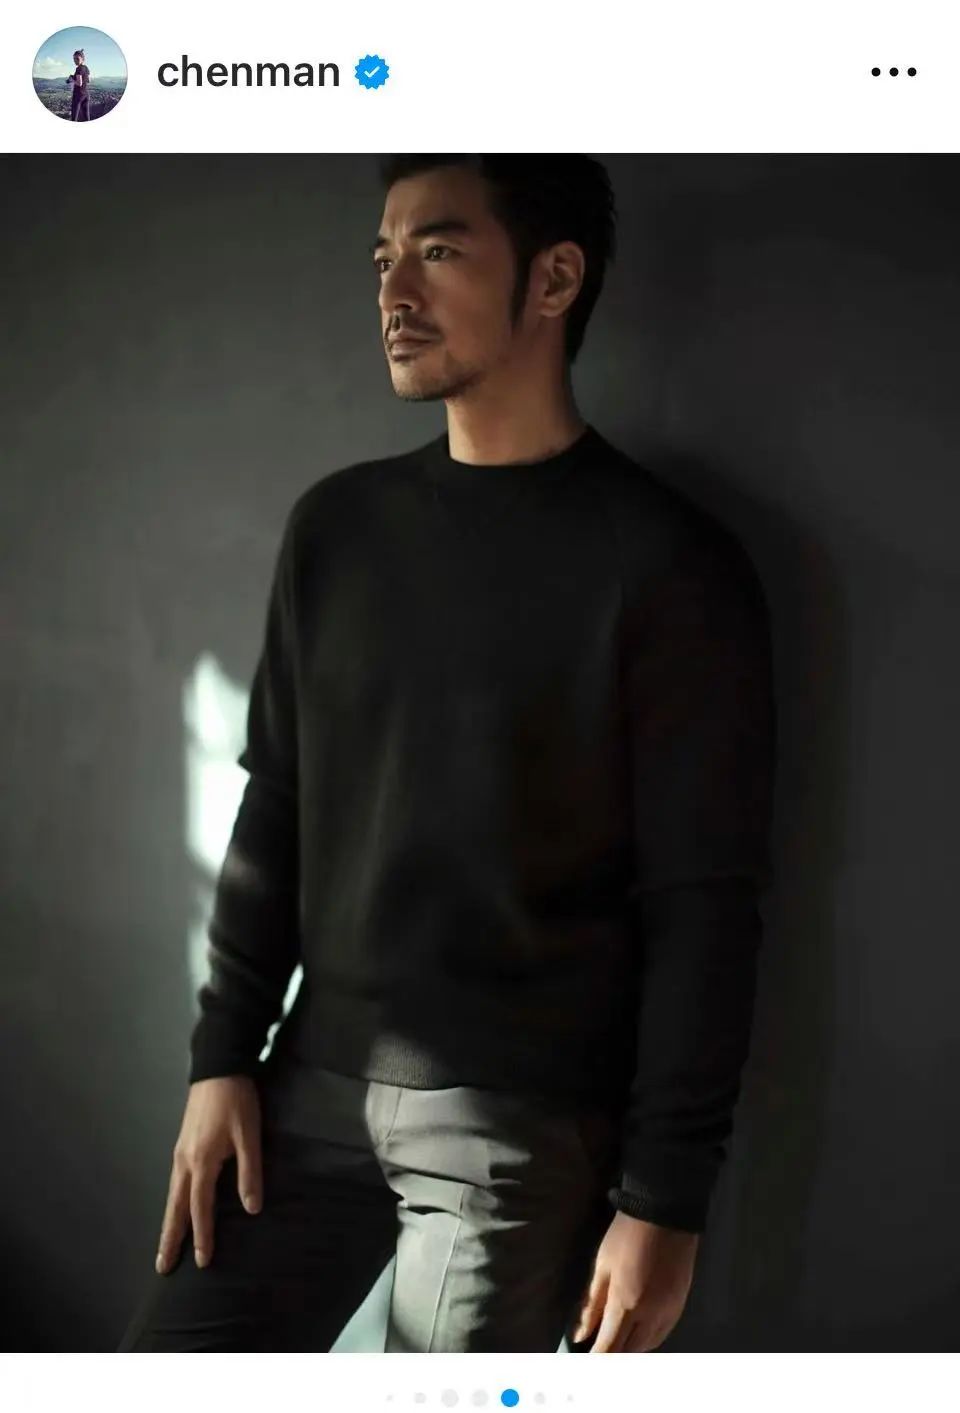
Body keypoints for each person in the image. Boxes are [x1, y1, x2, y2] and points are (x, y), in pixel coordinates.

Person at [117, 155, 777, 1354]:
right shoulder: (338, 530)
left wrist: (664, 1204)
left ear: (554, 279)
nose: (393, 292)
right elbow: (278, 808)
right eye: (382, 258)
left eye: (438, 249)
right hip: (304, 1094)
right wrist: (222, 1062)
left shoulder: (668, 567)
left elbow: (704, 910)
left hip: (516, 1130)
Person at [69, 49, 91, 121]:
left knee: (74, 118)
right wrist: (75, 77)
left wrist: (72, 79)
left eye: (77, 59)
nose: (75, 61)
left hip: (78, 95)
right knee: (86, 117)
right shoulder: (86, 68)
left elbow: (79, 83)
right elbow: (88, 80)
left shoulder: (78, 68)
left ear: (82, 59)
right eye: (74, 59)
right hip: (86, 95)